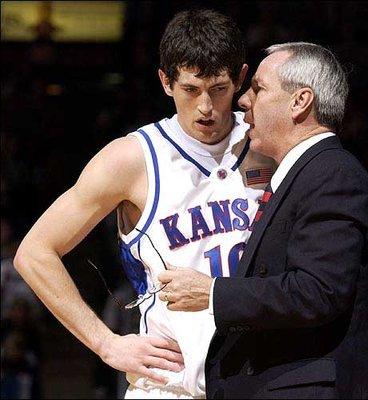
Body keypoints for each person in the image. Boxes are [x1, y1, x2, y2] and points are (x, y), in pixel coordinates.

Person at [13, 9, 276, 399]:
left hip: (261, 380)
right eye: (191, 89)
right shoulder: (132, 159)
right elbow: (34, 253)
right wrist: (107, 344)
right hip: (172, 386)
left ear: (240, 77)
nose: (206, 106)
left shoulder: (269, 145)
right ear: (166, 82)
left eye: (219, 89)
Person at [158, 42, 368, 399]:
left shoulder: (332, 175)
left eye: (258, 88)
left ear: (300, 102)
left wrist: (213, 292)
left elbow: (317, 291)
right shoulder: (306, 174)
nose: (243, 101)